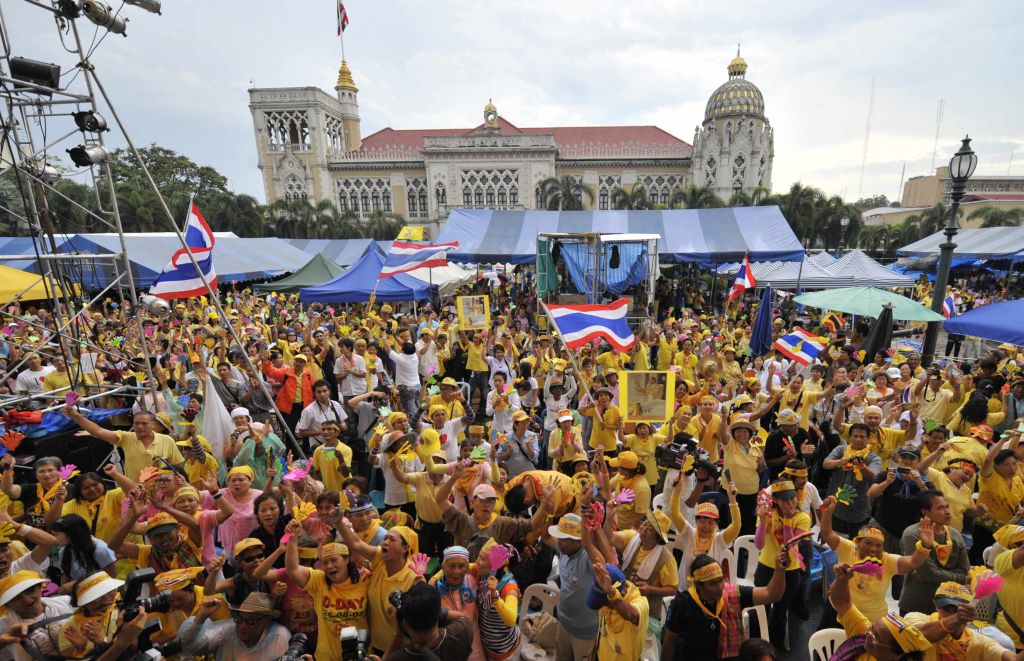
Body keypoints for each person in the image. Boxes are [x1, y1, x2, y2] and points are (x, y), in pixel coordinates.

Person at [818, 495, 932, 622]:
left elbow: (913, 562)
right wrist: (827, 513)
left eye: (878, 545)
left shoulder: (887, 560)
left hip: (871, 620)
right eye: (868, 543)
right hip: (837, 611)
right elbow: (827, 534)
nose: (873, 549)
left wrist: (925, 546)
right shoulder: (849, 548)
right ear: (857, 542)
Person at [828, 562, 975, 661]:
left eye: (876, 637)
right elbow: (842, 602)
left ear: (896, 652)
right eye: (872, 630)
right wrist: (842, 580)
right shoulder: (864, 637)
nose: (868, 635)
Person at [662, 550, 788, 661]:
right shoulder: (682, 603)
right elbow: (670, 643)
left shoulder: (733, 594)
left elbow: (771, 594)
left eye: (721, 580)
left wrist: (780, 570)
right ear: (698, 585)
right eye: (712, 583)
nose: (720, 587)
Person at [283, 521, 368, 661]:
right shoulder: (319, 581)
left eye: (334, 560)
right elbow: (292, 570)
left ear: (347, 559)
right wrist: (292, 539)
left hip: (359, 655)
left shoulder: (365, 580)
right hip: (325, 656)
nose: (329, 566)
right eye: (325, 562)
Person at [337, 515, 420, 654]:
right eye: (385, 538)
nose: (385, 542)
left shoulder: (413, 577)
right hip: (375, 645)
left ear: (405, 548)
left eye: (392, 540)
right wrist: (338, 522)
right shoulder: (380, 559)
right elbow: (356, 543)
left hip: (402, 650)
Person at [753, 479, 811, 648]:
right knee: (761, 610)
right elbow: (759, 544)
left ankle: (775, 649)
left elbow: (789, 545)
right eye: (785, 499)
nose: (790, 503)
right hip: (766, 567)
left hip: (789, 571)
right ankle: (758, 647)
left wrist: (786, 520)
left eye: (793, 498)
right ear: (776, 500)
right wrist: (763, 521)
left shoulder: (802, 517)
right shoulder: (767, 514)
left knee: (779, 613)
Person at [898, 489, 970, 615]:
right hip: (917, 607)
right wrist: (963, 579)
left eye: (947, 507)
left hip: (949, 607)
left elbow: (964, 568)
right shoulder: (913, 534)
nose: (947, 512)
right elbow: (931, 573)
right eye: (940, 508)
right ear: (926, 513)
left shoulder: (954, 534)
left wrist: (934, 575)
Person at [63, 408, 183, 483]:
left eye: (144, 423)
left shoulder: (167, 440)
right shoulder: (127, 437)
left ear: (153, 424)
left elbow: (177, 466)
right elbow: (98, 431)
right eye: (137, 423)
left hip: (160, 492)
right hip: (133, 491)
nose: (140, 426)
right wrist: (77, 416)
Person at [179, 591, 292, 660]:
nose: (242, 626)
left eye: (250, 621)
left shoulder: (279, 637)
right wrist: (201, 617)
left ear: (267, 621)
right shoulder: (228, 629)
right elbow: (188, 647)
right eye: (239, 619)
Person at [381, 582, 474, 661]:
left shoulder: (399, 658)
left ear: (405, 624)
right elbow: (463, 617)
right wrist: (431, 610)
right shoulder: (462, 632)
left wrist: (398, 635)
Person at [822, 422, 883, 537]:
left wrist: (863, 467)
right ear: (850, 437)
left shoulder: (874, 458)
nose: (858, 439)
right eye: (855, 436)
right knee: (831, 538)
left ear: (868, 439)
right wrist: (840, 462)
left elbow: (875, 478)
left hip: (859, 509)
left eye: (862, 437)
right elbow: (825, 464)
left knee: (855, 544)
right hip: (835, 505)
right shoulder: (841, 450)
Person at [0, 570, 73, 661]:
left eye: (30, 591)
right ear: (7, 605)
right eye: (16, 598)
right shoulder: (4, 625)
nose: (26, 600)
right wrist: (2, 642)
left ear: (41, 587)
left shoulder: (66, 602)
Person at [57, 571, 123, 659]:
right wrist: (82, 648)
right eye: (100, 594)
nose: (109, 596)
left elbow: (131, 649)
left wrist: (103, 640)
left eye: (111, 590)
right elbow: (66, 655)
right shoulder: (70, 627)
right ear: (86, 601)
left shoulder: (122, 612)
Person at [50, 514, 117, 584]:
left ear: (71, 533)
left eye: (56, 535)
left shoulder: (100, 549)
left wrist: (77, 583)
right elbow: (66, 578)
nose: (53, 539)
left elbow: (112, 575)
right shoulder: (63, 552)